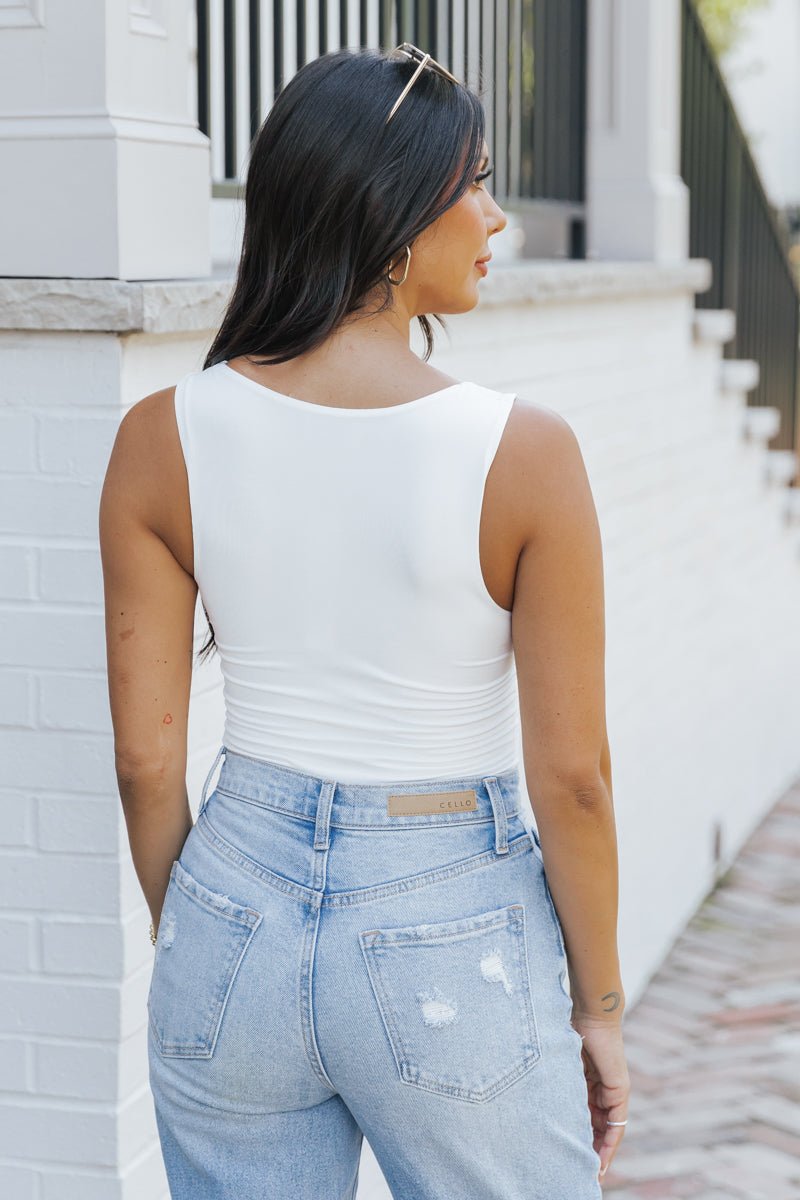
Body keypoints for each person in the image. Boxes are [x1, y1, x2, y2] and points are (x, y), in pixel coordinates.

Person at [99, 42, 630, 1199]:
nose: (497, 215)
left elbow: (145, 761)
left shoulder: (158, 438)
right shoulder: (524, 453)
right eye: (474, 182)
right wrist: (598, 1007)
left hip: (228, 896)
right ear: (391, 214)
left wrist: (196, 929)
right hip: (451, 922)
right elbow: (574, 777)